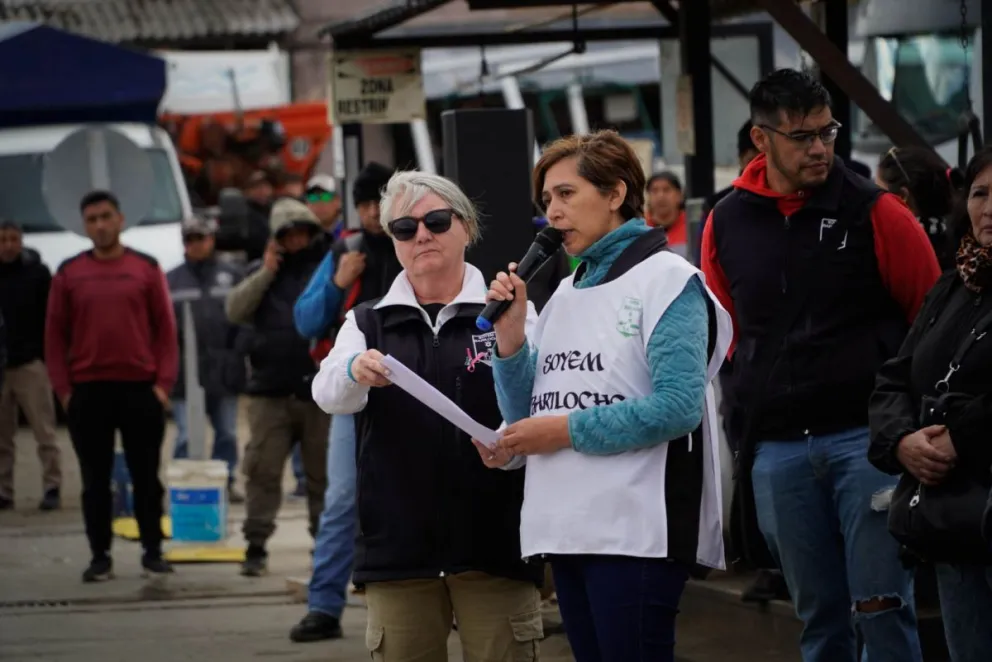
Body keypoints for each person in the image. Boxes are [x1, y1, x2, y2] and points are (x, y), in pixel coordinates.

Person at [700, 69, 941, 662]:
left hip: (868, 442)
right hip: (777, 450)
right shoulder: (726, 220)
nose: (818, 147)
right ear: (762, 140)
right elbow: (722, 334)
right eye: (801, 135)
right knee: (818, 619)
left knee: (883, 608)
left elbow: (933, 325)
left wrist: (910, 425)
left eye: (827, 132)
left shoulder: (876, 210)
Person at [482, 130, 733, 662]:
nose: (553, 212)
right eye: (547, 199)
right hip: (566, 524)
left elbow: (677, 407)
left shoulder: (668, 281)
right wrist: (510, 344)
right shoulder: (567, 290)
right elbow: (528, 412)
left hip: (636, 531)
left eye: (567, 194)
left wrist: (565, 431)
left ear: (616, 194)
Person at [311, 171, 544, 661]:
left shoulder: (512, 310)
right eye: (403, 227)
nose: (421, 235)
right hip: (399, 551)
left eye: (436, 221)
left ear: (466, 227)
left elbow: (540, 405)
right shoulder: (367, 320)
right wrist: (355, 368)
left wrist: (510, 446)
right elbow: (329, 392)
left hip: (496, 544)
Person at [869, 146, 992, 662]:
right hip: (958, 525)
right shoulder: (954, 285)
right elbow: (897, 377)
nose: (989, 208)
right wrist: (901, 441)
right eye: (982, 194)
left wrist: (958, 438)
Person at [288, 162, 402, 643]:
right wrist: (338, 282)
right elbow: (306, 321)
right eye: (365, 204)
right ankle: (324, 606)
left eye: (381, 201)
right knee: (339, 500)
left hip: (417, 390)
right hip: (354, 388)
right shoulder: (346, 250)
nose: (374, 212)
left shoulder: (416, 243)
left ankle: (436, 592)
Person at [45, 190, 179, 582]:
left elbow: (165, 333)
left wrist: (162, 386)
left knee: (146, 477)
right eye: (92, 219)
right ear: (84, 225)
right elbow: (54, 337)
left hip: (140, 390)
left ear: (120, 219)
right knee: (95, 480)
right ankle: (99, 555)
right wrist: (64, 391)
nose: (100, 225)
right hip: (88, 392)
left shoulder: (145, 268)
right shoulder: (68, 273)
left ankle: (152, 550)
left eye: (106, 216)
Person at [225, 197, 329, 577]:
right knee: (262, 472)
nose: (296, 239)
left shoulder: (326, 266)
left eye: (302, 231)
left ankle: (326, 547)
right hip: (269, 392)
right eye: (288, 233)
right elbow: (234, 310)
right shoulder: (260, 270)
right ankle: (255, 545)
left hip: (318, 392)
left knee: (323, 476)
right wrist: (266, 272)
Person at [166, 216, 246, 503]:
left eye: (201, 237)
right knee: (187, 435)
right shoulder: (170, 280)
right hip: (184, 375)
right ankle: (184, 487)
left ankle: (224, 483)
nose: (196, 244)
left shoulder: (233, 275)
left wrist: (237, 356)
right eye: (190, 239)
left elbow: (244, 321)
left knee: (226, 433)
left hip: (224, 372)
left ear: (211, 239)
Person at [0, 220, 61, 511]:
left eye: (14, 239)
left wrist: (43, 356)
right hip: (1, 365)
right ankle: (4, 490)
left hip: (29, 363)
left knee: (44, 431)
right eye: (3, 240)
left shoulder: (37, 274)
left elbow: (51, 318)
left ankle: (52, 485)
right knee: (2, 437)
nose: (9, 245)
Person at [876, 145, 957, 270]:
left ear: (902, 196)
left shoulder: (899, 249)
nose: (873, 201)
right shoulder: (958, 241)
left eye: (878, 192)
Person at [645, 171, 688, 256]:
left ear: (679, 196)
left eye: (666, 190)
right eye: (655, 191)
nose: (661, 196)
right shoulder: (640, 227)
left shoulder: (691, 227)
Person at [305, 174, 344, 241]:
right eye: (313, 198)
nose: (319, 202)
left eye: (325, 197)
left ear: (338, 201)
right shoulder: (303, 236)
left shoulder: (347, 232)